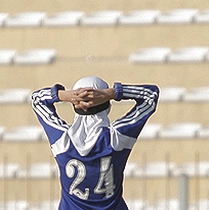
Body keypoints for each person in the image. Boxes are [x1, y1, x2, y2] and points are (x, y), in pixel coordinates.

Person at [31, 76, 160, 210]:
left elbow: (37, 100)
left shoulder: (62, 138)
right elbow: (150, 96)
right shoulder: (116, 138)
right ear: (107, 105)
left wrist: (65, 95)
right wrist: (113, 93)